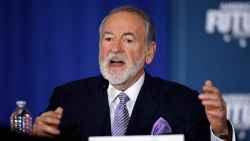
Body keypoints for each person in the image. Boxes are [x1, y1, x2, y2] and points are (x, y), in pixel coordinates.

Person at [32, 6, 235, 141]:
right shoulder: (68, 99)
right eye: (108, 38)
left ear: (149, 52)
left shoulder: (183, 102)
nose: (115, 49)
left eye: (128, 40)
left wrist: (221, 133)